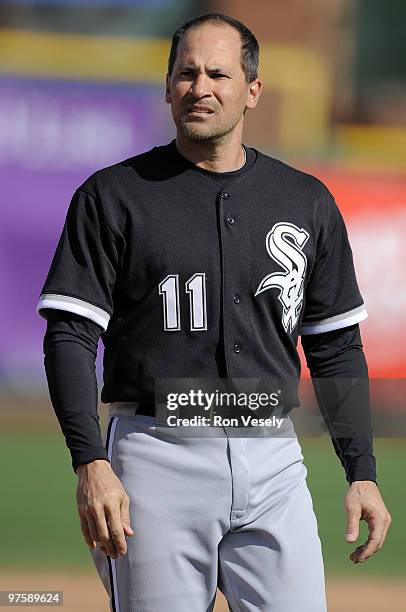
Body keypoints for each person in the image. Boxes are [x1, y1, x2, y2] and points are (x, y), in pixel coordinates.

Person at [37, 13, 391, 612]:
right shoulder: (114, 195)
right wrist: (90, 461)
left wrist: (362, 471)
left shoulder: (304, 200)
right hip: (155, 458)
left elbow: (335, 345)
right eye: (186, 73)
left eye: (218, 74)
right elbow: (70, 335)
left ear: (252, 90)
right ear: (168, 86)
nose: (200, 87)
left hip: (274, 455)